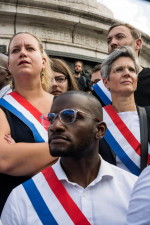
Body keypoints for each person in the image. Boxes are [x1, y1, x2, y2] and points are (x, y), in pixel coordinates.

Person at [1, 91, 137, 225]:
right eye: (51, 119)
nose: (55, 126)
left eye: (69, 116)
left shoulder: (133, 189)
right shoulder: (23, 198)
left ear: (100, 130)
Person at [0, 32, 57, 214]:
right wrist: (66, 149)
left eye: (30, 48)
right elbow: (5, 159)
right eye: (15, 50)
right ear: (9, 65)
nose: (22, 53)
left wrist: (24, 155)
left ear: (43, 61)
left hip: (67, 203)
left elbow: (86, 154)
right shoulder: (2, 108)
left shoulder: (67, 104)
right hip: (20, 208)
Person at [99, 46, 150, 176]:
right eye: (119, 69)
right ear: (106, 82)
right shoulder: (97, 119)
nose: (127, 73)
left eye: (132, 70)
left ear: (136, 80)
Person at [94, 22, 150, 106]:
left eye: (120, 37)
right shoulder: (100, 90)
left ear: (137, 44)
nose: (112, 43)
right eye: (109, 41)